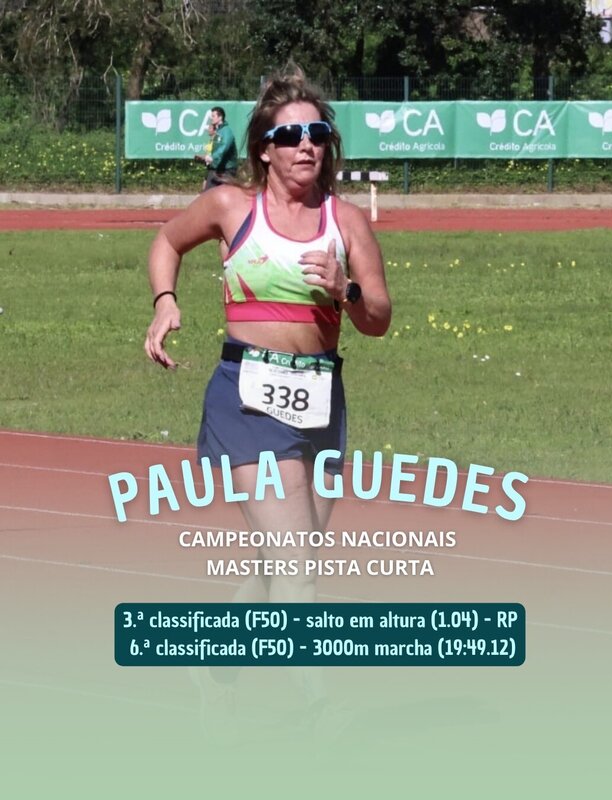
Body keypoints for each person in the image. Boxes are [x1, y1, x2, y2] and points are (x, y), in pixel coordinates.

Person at [144, 65, 391, 739]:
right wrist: (165, 302)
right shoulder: (231, 208)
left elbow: (378, 318)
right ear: (264, 149)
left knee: (284, 561)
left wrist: (345, 290)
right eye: (290, 135)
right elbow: (167, 240)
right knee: (296, 568)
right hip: (247, 400)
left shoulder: (345, 221)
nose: (306, 144)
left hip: (321, 401)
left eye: (317, 133)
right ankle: (320, 708)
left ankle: (215, 669)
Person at [202, 106, 238, 190]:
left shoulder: (227, 131)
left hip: (227, 169)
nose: (211, 118)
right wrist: (208, 158)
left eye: (213, 116)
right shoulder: (218, 131)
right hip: (216, 168)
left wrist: (212, 157)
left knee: (227, 194)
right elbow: (216, 148)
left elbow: (224, 147)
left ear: (220, 117)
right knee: (208, 193)